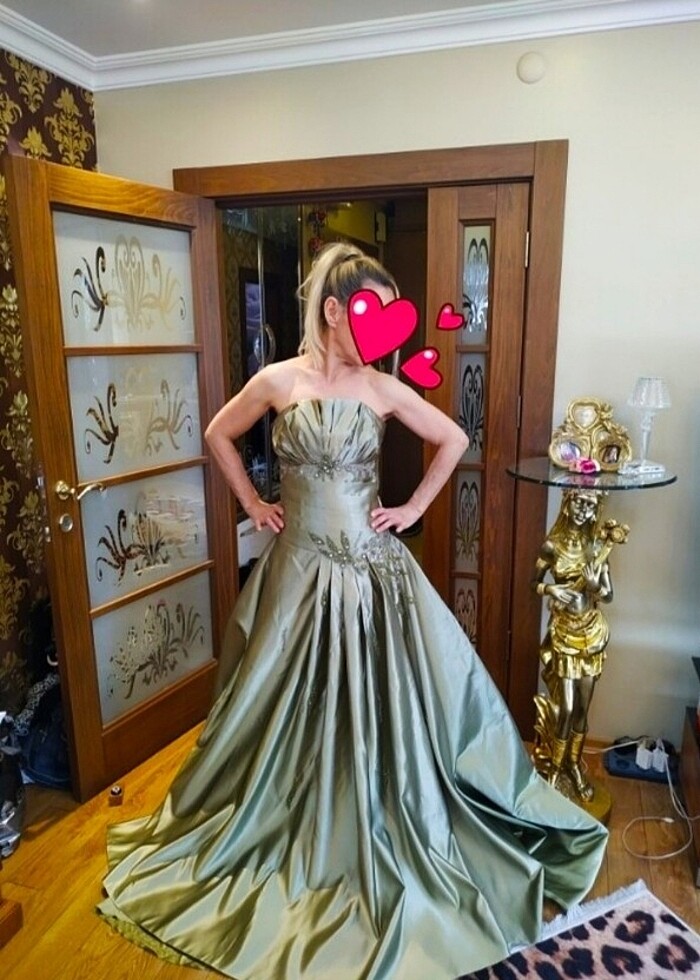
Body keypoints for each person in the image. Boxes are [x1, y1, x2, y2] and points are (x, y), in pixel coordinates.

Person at [98, 243, 607, 979]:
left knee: (380, 708)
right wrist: (253, 503)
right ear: (334, 311)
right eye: (371, 313)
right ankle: (277, 818)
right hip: (296, 573)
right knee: (274, 702)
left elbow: (454, 438)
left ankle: (373, 820)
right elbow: (217, 433)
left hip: (370, 576)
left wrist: (412, 509)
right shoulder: (278, 380)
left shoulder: (381, 387)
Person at [532, 489, 628, 802]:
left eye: (590, 506)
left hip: (591, 632)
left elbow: (608, 595)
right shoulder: (552, 545)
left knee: (583, 710)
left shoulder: (597, 547)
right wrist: (551, 590)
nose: (583, 510)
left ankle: (573, 765)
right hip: (564, 633)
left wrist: (594, 585)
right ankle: (555, 768)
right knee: (567, 707)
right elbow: (534, 582)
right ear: (567, 503)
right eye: (579, 502)